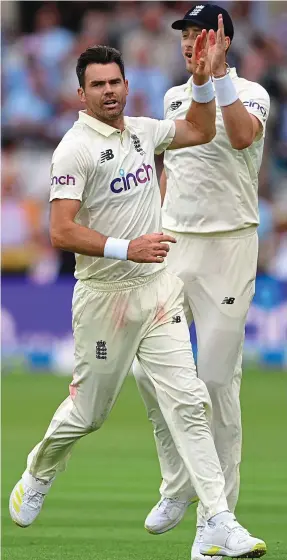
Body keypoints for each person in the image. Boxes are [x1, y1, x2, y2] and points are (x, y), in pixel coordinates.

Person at [9, 41, 266, 558]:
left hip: (157, 290)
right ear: (80, 94)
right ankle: (39, 469)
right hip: (105, 298)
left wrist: (200, 80)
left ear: (127, 85)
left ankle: (218, 521)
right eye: (97, 85)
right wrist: (130, 248)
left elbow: (196, 128)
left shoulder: (146, 132)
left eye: (115, 82)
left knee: (192, 401)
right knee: (90, 414)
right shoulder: (74, 149)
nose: (108, 92)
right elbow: (60, 231)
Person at [133, 5, 270, 560]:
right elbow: (175, 168)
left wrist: (216, 79)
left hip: (230, 246)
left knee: (215, 383)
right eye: (186, 37)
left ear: (224, 41)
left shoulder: (255, 92)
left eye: (200, 36)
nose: (191, 44)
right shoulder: (172, 96)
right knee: (146, 366)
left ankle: (217, 526)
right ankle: (180, 484)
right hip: (174, 243)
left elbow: (239, 138)